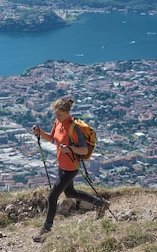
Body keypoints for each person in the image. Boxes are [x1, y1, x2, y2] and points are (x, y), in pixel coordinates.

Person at [31, 97, 108, 242]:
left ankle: (46, 229)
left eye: (60, 115)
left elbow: (84, 150)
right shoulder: (58, 123)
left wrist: (70, 148)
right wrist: (40, 132)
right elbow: (52, 138)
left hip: (71, 167)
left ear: (67, 113)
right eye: (56, 115)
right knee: (70, 192)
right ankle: (100, 203)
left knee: (52, 197)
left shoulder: (74, 128)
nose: (57, 117)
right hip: (62, 165)